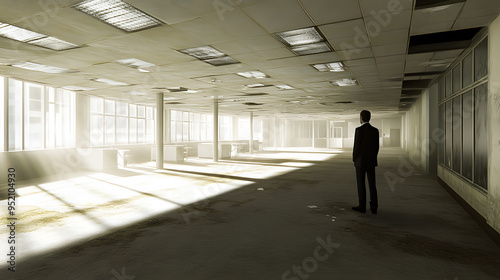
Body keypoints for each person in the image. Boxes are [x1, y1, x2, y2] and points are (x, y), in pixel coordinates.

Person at [352, 110, 379, 214]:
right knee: (372, 184)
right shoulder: (375, 130)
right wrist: (373, 158)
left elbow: (356, 147)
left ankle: (362, 207)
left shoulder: (359, 130)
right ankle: (374, 207)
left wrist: (354, 159)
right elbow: (376, 147)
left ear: (361, 118)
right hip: (371, 162)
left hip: (361, 162)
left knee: (361, 184)